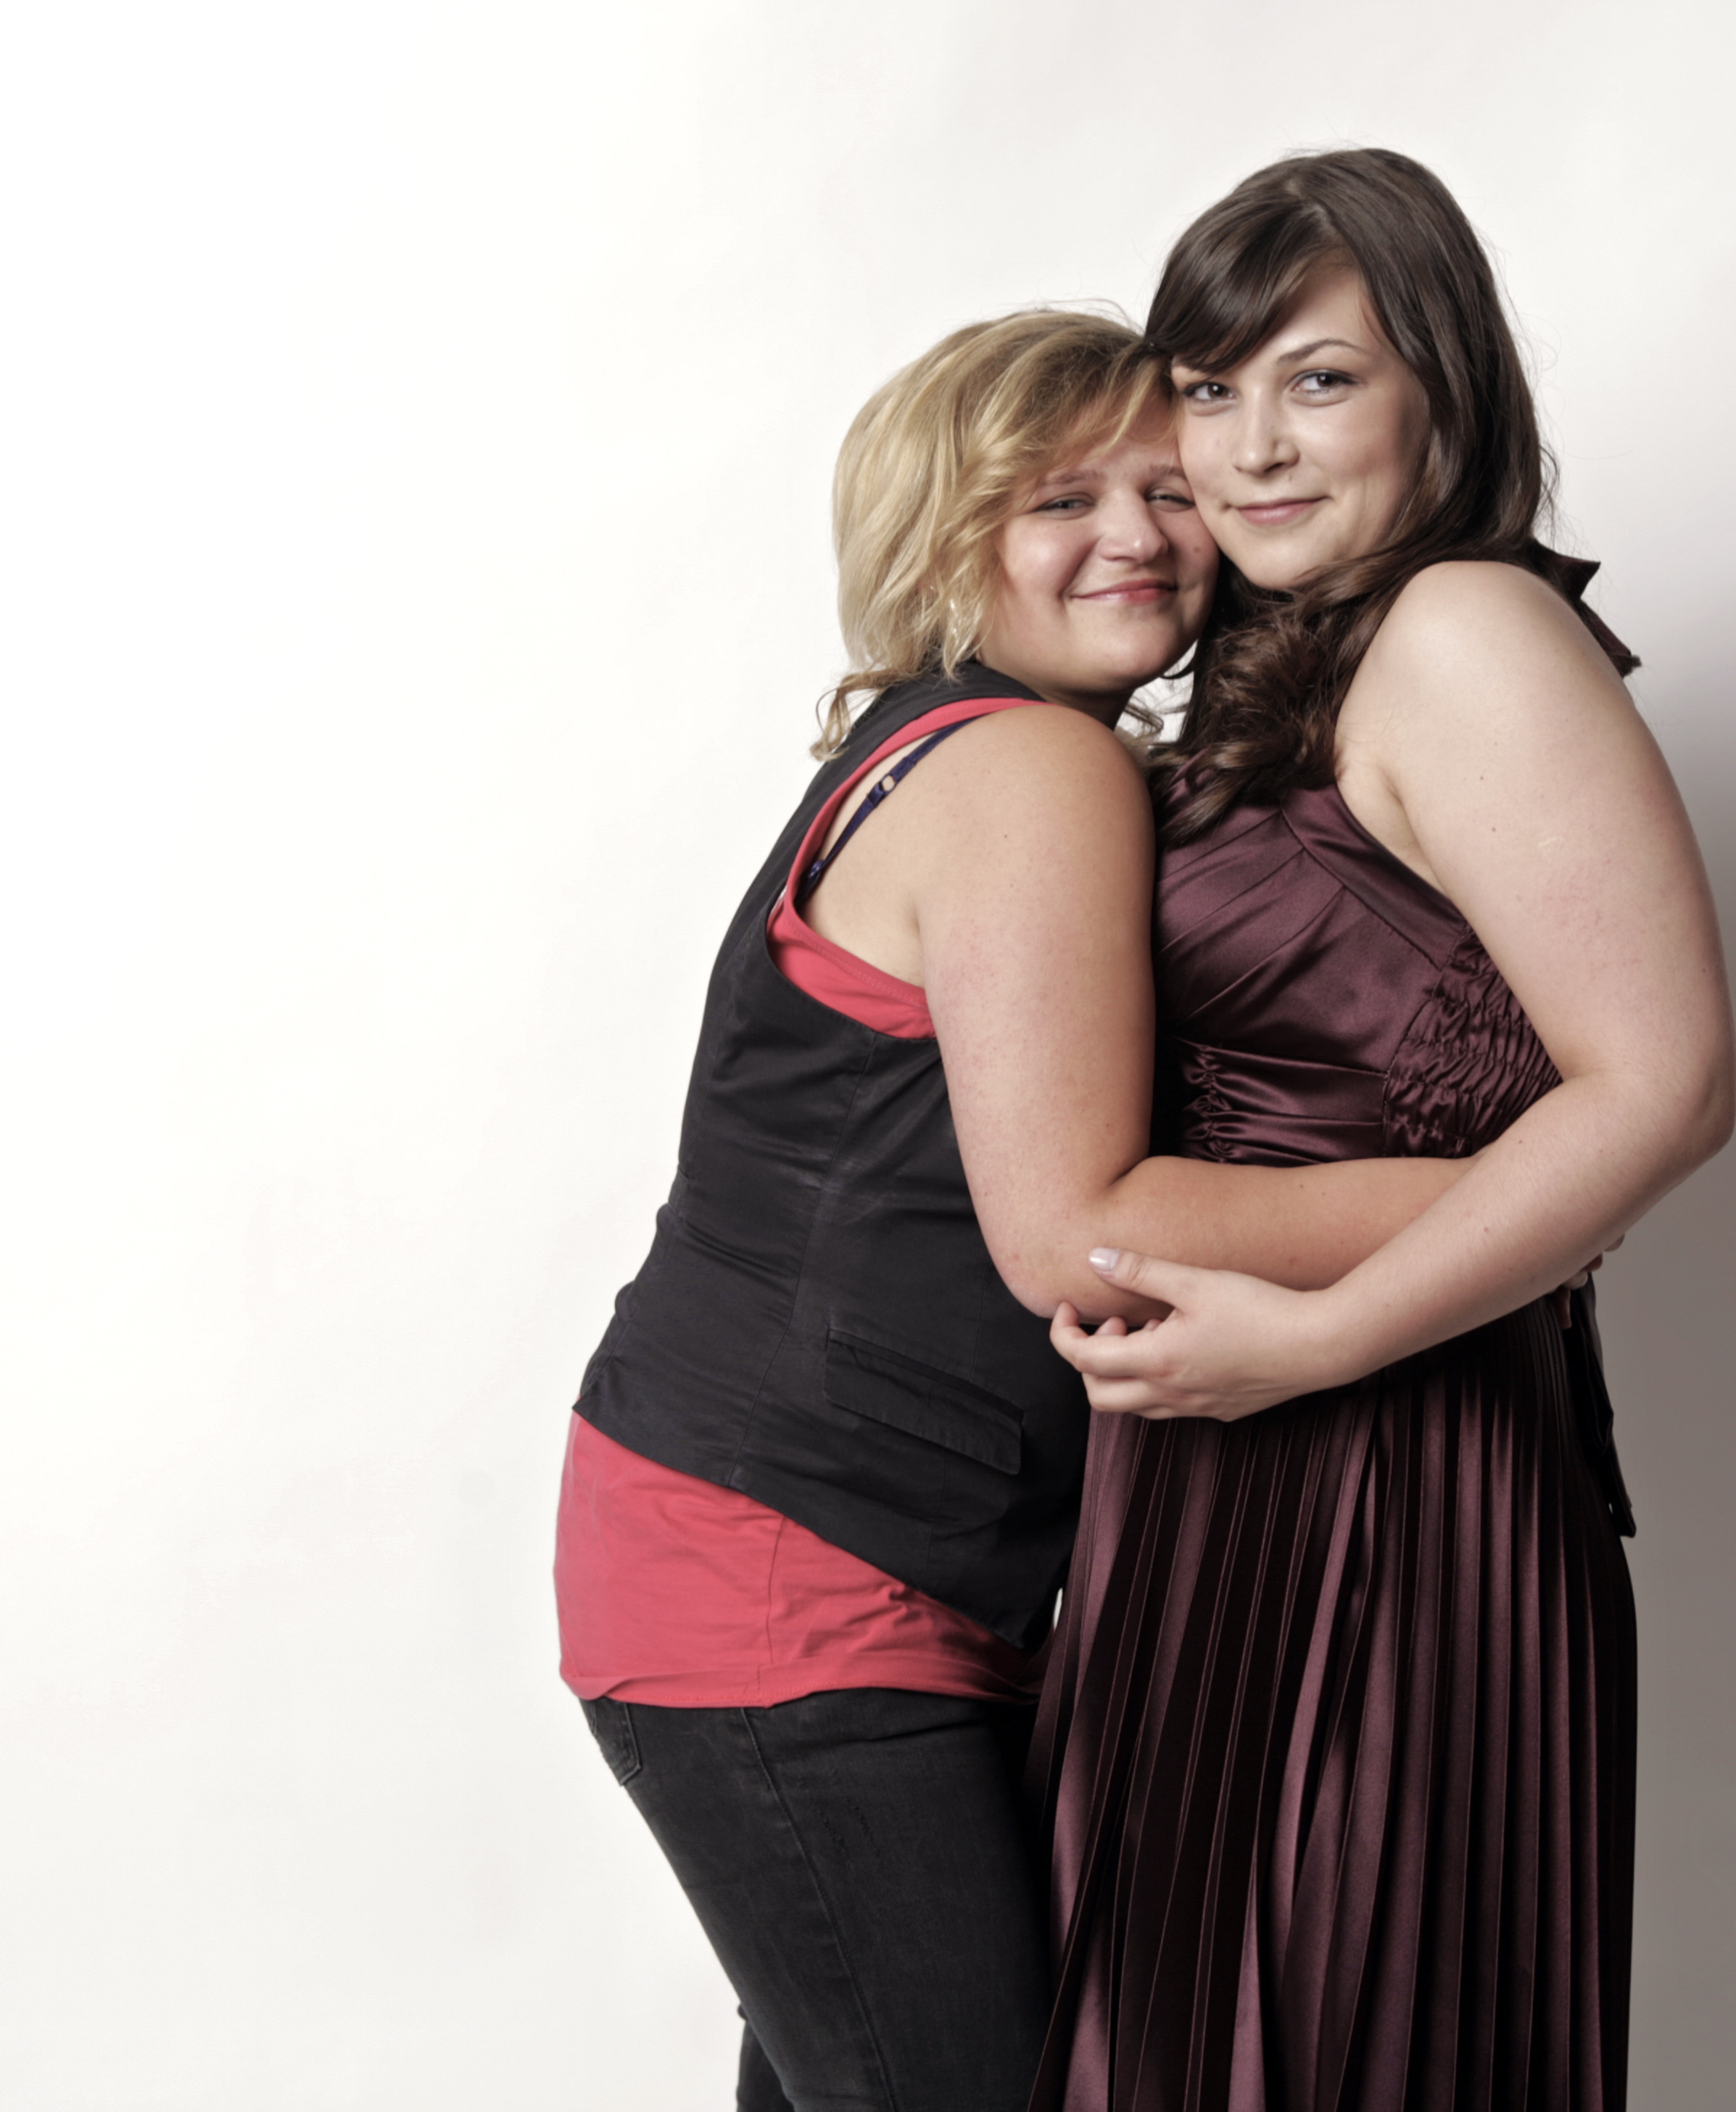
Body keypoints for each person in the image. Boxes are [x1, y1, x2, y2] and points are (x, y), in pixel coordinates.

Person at [556, 310, 1474, 2112]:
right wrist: (1504, 1197)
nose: (1136, 534)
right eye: (1061, 499)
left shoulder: (957, 748)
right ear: (942, 537)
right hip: (788, 1570)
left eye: (1164, 488)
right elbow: (1078, 1228)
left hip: (817, 1546)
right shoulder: (1027, 764)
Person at [1027, 152, 1736, 2112]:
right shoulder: (1287, 656)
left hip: (1393, 1464)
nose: (1250, 447)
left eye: (1319, 382)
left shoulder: (1463, 630)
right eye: (1210, 388)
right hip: (1217, 1451)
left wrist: (1319, 1343)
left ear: (1443, 388)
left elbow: (1665, 1082)